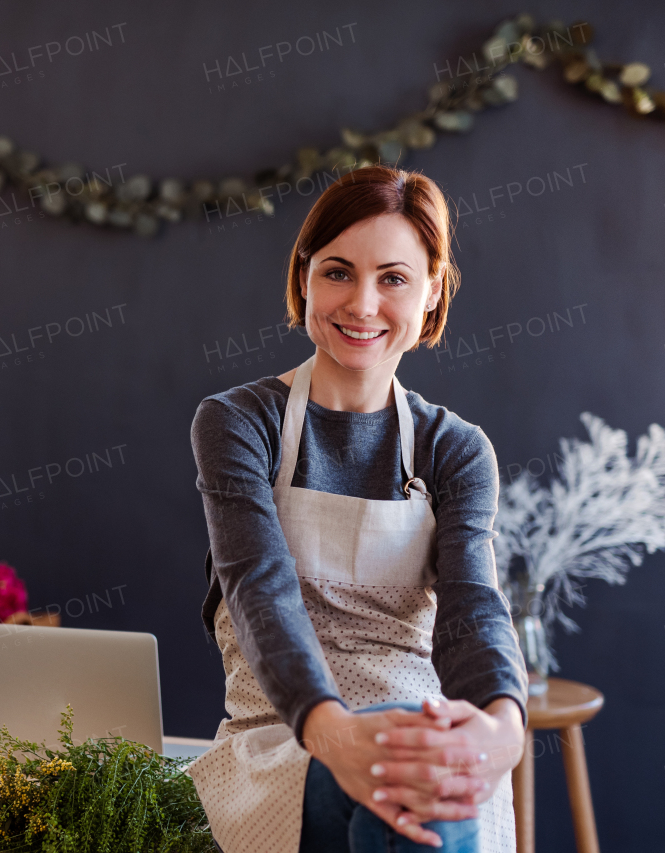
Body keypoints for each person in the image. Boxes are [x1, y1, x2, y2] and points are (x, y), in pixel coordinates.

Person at [187, 165, 527, 853]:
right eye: (338, 272)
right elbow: (259, 591)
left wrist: (502, 728)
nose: (362, 304)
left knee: (419, 776)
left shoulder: (456, 450)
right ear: (304, 277)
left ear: (432, 290)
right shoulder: (237, 423)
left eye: (394, 278)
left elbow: (473, 609)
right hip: (285, 740)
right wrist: (335, 733)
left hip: (423, 735)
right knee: (417, 786)